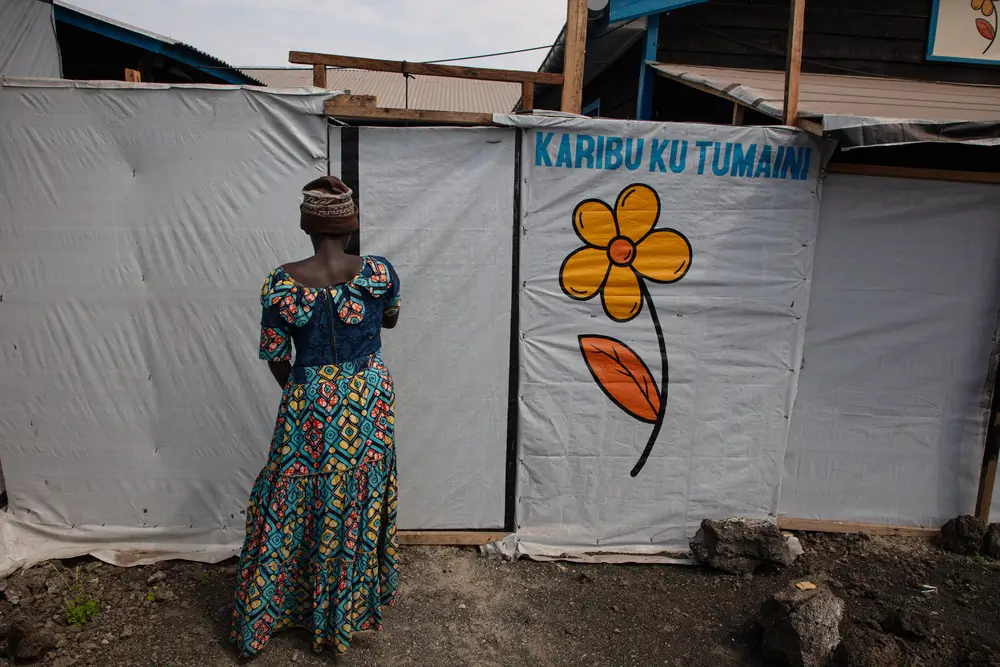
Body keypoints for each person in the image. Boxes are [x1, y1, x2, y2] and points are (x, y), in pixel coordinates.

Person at [231, 175, 401, 658]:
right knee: (356, 501)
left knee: (290, 497)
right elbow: (389, 318)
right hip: (369, 399)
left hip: (309, 399)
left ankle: (273, 613)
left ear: (307, 227)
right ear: (352, 225)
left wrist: (305, 390)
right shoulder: (380, 274)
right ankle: (342, 615)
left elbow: (273, 353)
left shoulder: (281, 283)